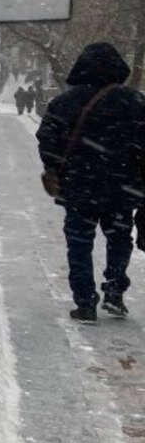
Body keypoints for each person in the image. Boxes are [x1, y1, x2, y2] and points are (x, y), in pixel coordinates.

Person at [37, 42, 145, 323]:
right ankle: (114, 289)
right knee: (120, 237)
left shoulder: (65, 102)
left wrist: (54, 166)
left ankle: (85, 302)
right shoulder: (134, 103)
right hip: (123, 187)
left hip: (79, 186)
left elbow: (47, 138)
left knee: (79, 242)